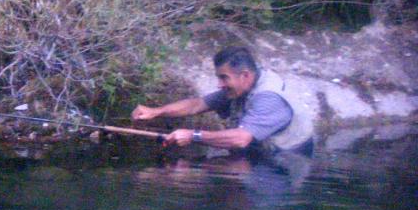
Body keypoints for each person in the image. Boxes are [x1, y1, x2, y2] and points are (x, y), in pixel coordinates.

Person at [132, 45, 315, 155]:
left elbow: (240, 139)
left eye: (223, 78)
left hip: (285, 161)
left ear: (245, 75)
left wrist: (193, 135)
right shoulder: (242, 85)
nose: (219, 85)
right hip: (261, 153)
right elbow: (197, 104)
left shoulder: (269, 98)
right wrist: (156, 111)